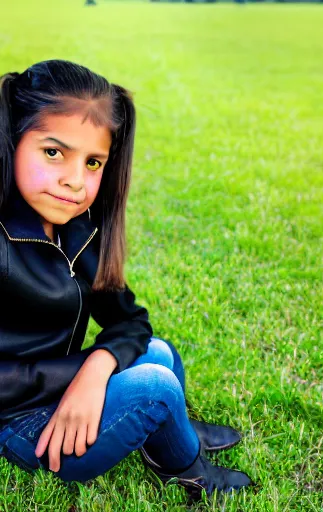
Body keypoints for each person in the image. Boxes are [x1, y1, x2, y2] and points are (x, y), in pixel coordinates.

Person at [0, 59, 254, 501]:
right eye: (53, 152)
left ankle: (173, 432)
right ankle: (190, 472)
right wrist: (77, 375)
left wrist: (97, 367)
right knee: (154, 386)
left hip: (65, 388)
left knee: (159, 352)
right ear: (12, 140)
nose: (75, 181)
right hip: (20, 422)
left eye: (94, 162)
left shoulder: (79, 230)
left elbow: (130, 322)